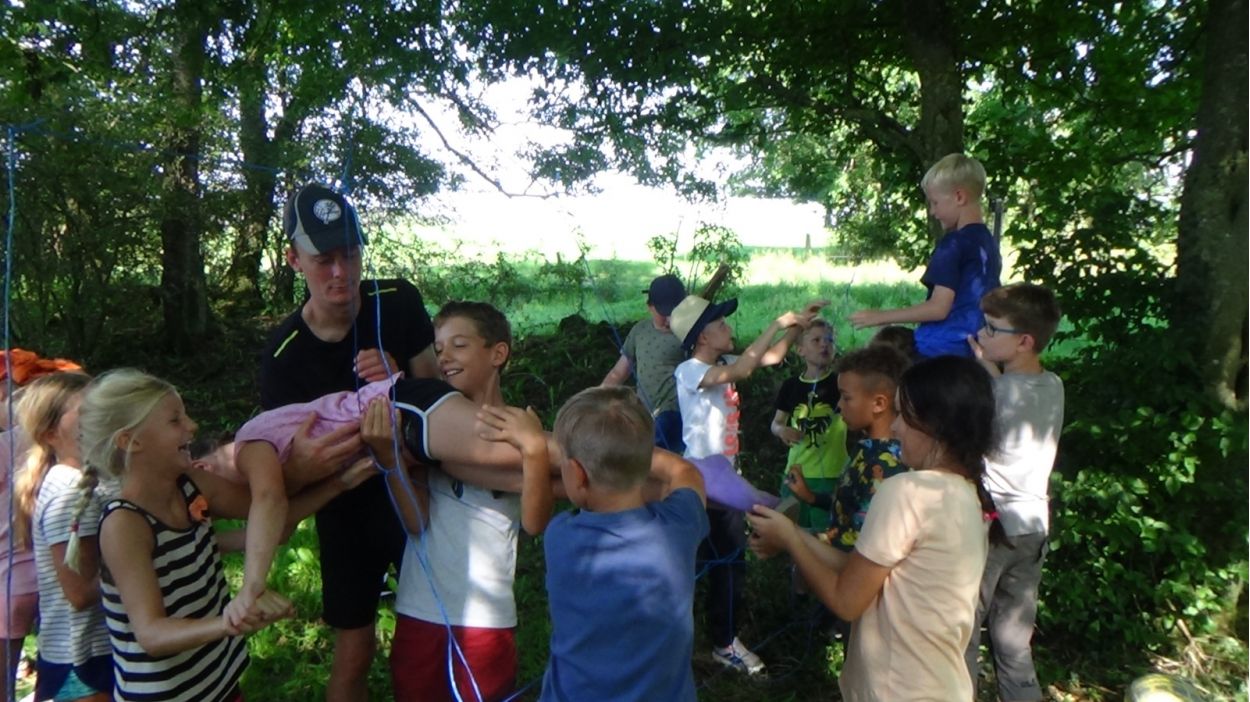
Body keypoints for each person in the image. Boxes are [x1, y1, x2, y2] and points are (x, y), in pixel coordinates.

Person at [77, 369, 370, 702]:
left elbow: (275, 520)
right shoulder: (124, 524)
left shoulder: (193, 485)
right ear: (131, 441)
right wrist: (231, 620)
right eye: (175, 420)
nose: (192, 426)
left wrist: (339, 484)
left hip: (219, 681)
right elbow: (152, 634)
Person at [257, 183, 438, 701]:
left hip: (417, 496)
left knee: (431, 640)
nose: (341, 272)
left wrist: (401, 376)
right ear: (294, 260)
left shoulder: (397, 302)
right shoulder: (284, 355)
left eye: (351, 254)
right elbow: (280, 474)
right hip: (346, 513)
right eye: (324, 260)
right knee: (353, 653)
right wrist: (308, 464)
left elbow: (441, 392)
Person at [748, 355, 1003, 700]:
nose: (895, 428)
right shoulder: (965, 492)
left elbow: (846, 600)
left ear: (934, 425)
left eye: (904, 416)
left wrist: (792, 539)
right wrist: (796, 537)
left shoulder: (908, 491)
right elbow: (862, 568)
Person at [373, 301, 553, 702]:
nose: (444, 358)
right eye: (438, 349)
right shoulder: (426, 427)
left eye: (459, 345)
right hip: (420, 609)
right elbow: (416, 520)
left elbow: (534, 522)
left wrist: (535, 450)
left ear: (498, 353)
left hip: (485, 620)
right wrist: (391, 461)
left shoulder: (517, 427)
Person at [669, 293, 821, 675]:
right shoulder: (689, 371)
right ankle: (700, 642)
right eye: (721, 324)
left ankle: (721, 641)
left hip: (724, 479)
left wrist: (797, 327)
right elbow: (744, 370)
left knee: (726, 563)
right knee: (712, 560)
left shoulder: (722, 363)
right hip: (703, 481)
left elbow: (770, 357)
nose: (729, 329)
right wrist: (777, 323)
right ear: (702, 337)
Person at [538, 387, 708, 701]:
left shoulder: (560, 536)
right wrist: (635, 452)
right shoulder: (679, 527)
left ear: (576, 474)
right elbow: (684, 471)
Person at [964, 283, 1065, 702]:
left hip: (995, 527)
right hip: (1034, 525)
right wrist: (991, 369)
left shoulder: (996, 394)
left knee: (964, 633)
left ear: (1024, 341)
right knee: (1013, 638)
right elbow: (1012, 396)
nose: (981, 335)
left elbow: (981, 439)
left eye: (992, 329)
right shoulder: (1054, 384)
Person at [14, 372, 111, 702]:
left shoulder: (89, 479)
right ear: (50, 433)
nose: (101, 416)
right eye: (87, 411)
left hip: (92, 654)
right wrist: (143, 569)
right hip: (83, 659)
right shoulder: (68, 491)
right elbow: (79, 592)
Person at [849, 153, 1002, 358]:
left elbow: (939, 308)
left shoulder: (953, 244)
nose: (932, 211)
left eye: (935, 202)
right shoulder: (988, 243)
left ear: (959, 197)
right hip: (977, 347)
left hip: (939, 349)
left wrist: (881, 316)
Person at [0, 349, 83, 700]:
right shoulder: (50, 446)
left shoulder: (9, 445)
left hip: (10, 582)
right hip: (52, 575)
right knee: (54, 668)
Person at [785, 344, 912, 555]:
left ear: (879, 403)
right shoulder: (868, 448)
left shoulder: (884, 463)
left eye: (846, 397)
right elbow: (852, 504)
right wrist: (811, 497)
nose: (839, 405)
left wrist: (789, 536)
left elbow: (853, 544)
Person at [770, 318, 848, 530]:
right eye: (816, 340)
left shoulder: (842, 383)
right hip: (796, 472)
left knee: (825, 534)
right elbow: (776, 423)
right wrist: (781, 430)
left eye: (830, 340)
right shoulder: (791, 386)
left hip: (832, 473)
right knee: (791, 531)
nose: (824, 345)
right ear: (800, 350)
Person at [601, 274, 688, 452]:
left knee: (660, 447)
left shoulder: (689, 333)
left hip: (675, 410)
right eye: (663, 312)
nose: (668, 319)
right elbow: (619, 372)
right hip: (646, 412)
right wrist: (596, 397)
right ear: (650, 307)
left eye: (674, 312)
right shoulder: (640, 331)